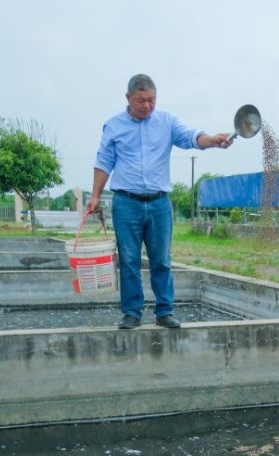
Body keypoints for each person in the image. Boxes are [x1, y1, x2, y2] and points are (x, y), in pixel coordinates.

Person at [87, 74, 232, 330]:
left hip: (159, 203)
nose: (147, 106)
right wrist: (96, 195)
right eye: (141, 100)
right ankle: (132, 312)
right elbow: (103, 162)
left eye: (152, 100)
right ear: (128, 98)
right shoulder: (113, 126)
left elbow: (191, 137)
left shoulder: (166, 122)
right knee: (129, 260)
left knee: (161, 260)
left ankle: (165, 310)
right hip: (126, 202)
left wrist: (212, 140)